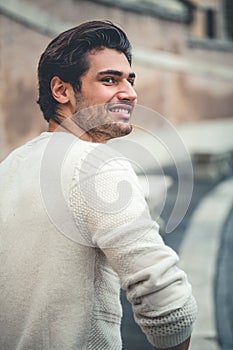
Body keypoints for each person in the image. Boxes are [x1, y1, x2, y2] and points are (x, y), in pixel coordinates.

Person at [0, 21, 197, 350]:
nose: (130, 93)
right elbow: (168, 304)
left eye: (130, 80)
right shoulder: (96, 165)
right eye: (110, 79)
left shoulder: (11, 165)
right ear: (61, 90)